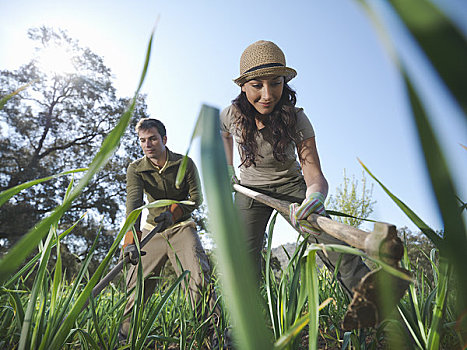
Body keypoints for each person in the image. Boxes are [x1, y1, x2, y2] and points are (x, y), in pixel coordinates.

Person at [220, 40, 370, 295]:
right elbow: (222, 133)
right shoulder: (230, 115)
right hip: (249, 192)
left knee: (337, 251)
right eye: (257, 85)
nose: (267, 95)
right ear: (243, 86)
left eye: (276, 83)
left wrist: (314, 198)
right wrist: (228, 167)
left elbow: (315, 176)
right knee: (241, 262)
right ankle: (240, 331)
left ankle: (384, 318)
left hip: (291, 189)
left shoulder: (296, 118)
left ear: (284, 83)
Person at [120, 118, 216, 340]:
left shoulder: (185, 164)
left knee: (198, 277)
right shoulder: (136, 169)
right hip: (152, 230)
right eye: (142, 140)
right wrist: (130, 241)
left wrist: (173, 213)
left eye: (152, 139)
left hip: (181, 227)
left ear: (163, 139)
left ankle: (214, 334)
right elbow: (133, 204)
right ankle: (125, 340)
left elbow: (196, 198)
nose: (147, 144)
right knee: (136, 286)